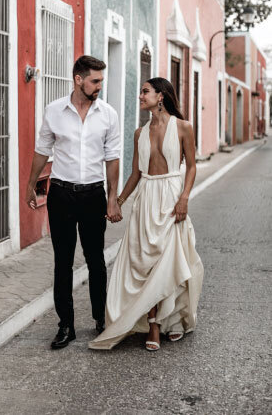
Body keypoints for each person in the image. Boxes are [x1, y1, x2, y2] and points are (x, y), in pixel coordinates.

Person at [89, 77, 204, 351]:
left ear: (161, 96)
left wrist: (184, 198)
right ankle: (153, 321)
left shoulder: (184, 127)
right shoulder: (139, 133)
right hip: (147, 199)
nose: (140, 96)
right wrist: (117, 201)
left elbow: (191, 167)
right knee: (145, 262)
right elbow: (136, 174)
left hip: (171, 196)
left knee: (170, 259)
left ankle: (169, 321)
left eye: (145, 91)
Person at [26, 55, 122, 350]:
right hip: (62, 195)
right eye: (95, 81)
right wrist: (30, 185)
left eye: (101, 81)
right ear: (78, 79)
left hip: (93, 194)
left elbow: (113, 159)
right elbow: (42, 150)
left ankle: (100, 319)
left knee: (96, 261)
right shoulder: (54, 111)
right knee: (63, 262)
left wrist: (112, 199)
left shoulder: (108, 114)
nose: (99, 86)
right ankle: (66, 325)